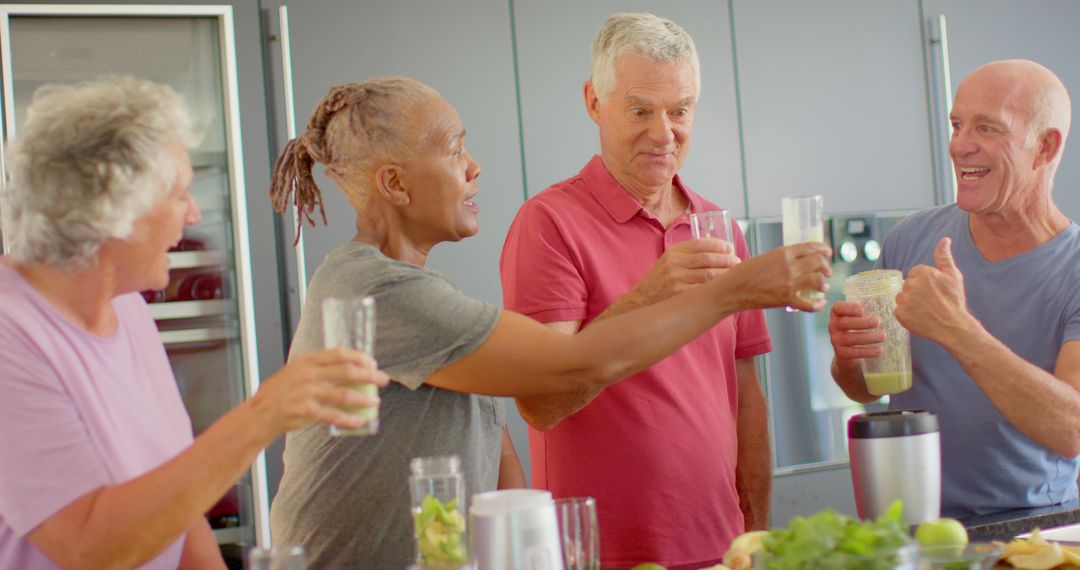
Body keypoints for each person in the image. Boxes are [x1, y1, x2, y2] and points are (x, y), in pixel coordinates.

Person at [267, 76, 831, 569]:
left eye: (680, 109)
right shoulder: (380, 291)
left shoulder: (422, 292)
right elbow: (568, 368)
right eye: (454, 148)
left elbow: (499, 451)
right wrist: (734, 290)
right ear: (394, 184)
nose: (473, 166)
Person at [0, 77, 388, 569]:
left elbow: (177, 506)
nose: (193, 213)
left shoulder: (127, 308)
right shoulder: (10, 334)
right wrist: (263, 414)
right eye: (179, 193)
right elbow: (87, 545)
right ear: (111, 210)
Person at [500, 13, 775, 569]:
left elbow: (745, 396)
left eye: (680, 111)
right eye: (640, 110)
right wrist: (650, 295)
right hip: (598, 553)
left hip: (723, 549)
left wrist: (758, 535)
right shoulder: (549, 222)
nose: (664, 133)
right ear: (594, 103)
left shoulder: (718, 226)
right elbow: (540, 401)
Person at [829, 59, 1080, 518]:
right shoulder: (909, 238)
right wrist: (850, 356)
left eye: (987, 128)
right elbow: (866, 390)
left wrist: (959, 331)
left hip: (1030, 531)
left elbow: (1072, 428)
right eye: (957, 124)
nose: (960, 146)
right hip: (906, 523)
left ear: (1044, 147)